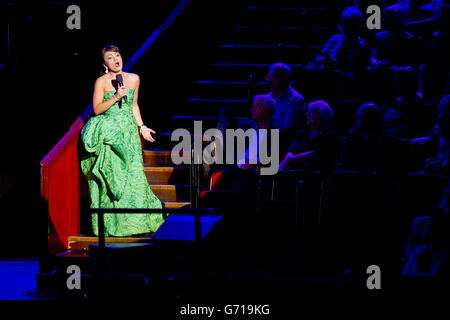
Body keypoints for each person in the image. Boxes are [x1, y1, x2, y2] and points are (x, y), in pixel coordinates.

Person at [80, 45, 165, 237]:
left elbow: (134, 105)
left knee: (134, 175)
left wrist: (141, 126)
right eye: (110, 58)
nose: (116, 60)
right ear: (104, 64)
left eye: (117, 55)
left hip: (129, 133)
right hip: (110, 133)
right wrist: (116, 97)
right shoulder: (101, 82)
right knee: (116, 177)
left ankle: (139, 221)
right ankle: (115, 223)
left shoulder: (134, 78)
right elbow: (97, 109)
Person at [279, 100, 337, 175]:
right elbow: (292, 149)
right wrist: (286, 161)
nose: (306, 114)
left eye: (310, 112)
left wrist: (290, 160)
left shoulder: (330, 136)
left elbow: (315, 154)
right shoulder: (302, 134)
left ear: (322, 115)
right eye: (307, 112)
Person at [306, 6, 369, 72]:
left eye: (354, 26)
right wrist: (319, 61)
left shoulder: (360, 44)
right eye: (348, 26)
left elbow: (359, 67)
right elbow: (321, 56)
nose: (351, 29)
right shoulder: (335, 39)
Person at [369, 4, 419, 70]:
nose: (383, 20)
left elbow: (412, 62)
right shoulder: (379, 36)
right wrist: (376, 64)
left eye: (389, 18)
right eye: (384, 17)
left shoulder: (409, 38)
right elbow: (373, 57)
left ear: (398, 19)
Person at [266, 63, 306, 136]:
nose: (269, 81)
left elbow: (286, 130)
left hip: (281, 143)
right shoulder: (267, 97)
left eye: (273, 78)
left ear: (285, 79)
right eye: (268, 77)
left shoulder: (295, 100)